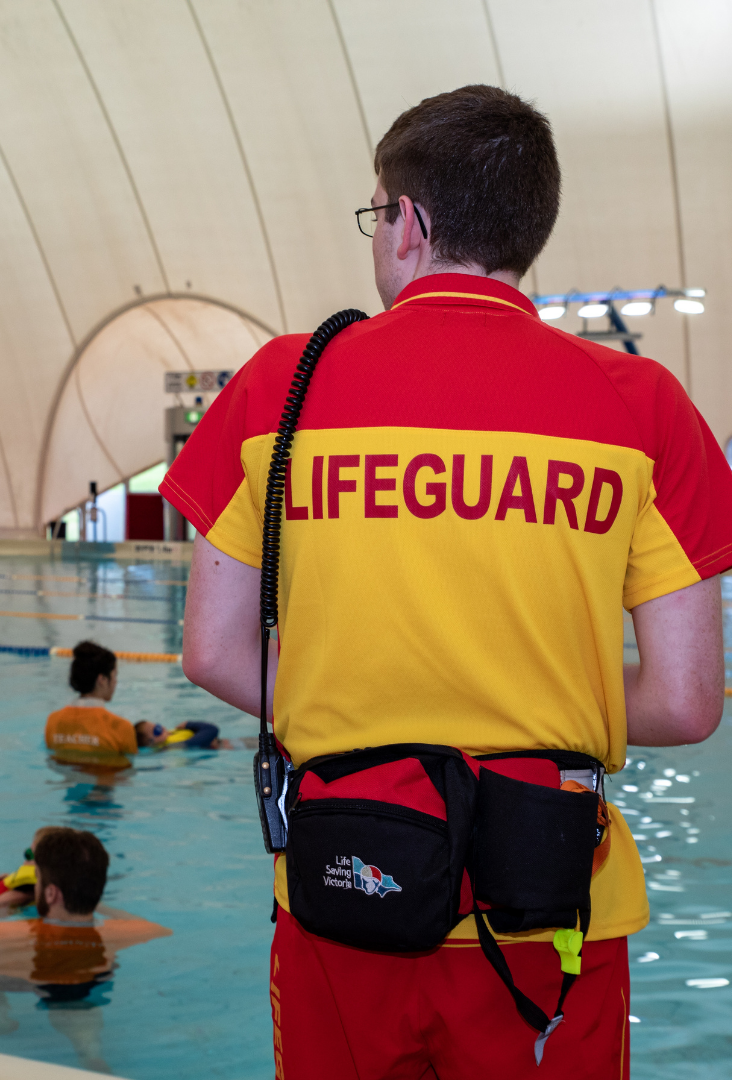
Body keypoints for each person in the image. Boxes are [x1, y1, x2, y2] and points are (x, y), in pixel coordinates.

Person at [162, 84, 732, 1079]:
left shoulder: (278, 387)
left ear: (406, 222)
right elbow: (685, 703)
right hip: (551, 907)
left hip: (351, 886)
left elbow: (213, 650)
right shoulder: (642, 405)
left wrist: (377, 706)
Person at [0, 827, 171, 1072]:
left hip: (31, 978)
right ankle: (90, 1051)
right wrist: (99, 906)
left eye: (38, 882)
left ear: (51, 893)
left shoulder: (9, 931)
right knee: (79, 1005)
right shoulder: (126, 931)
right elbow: (161, 931)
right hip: (91, 978)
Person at [45, 641, 140, 768]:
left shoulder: (53, 721)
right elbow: (128, 773)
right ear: (102, 680)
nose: (116, 682)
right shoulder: (120, 727)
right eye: (115, 676)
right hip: (105, 784)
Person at [135, 720, 221, 749]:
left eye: (158, 725)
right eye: (157, 730)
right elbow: (212, 729)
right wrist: (188, 724)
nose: (163, 728)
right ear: (151, 742)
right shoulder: (176, 745)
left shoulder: (171, 734)